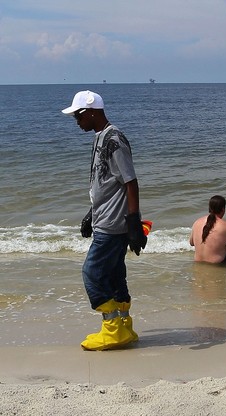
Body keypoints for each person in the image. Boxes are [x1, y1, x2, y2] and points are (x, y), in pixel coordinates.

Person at [62, 90, 147, 350]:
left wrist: (133, 222)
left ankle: (111, 330)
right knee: (113, 275)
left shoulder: (114, 139)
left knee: (93, 274)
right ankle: (124, 327)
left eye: (78, 115)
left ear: (91, 111)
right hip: (105, 217)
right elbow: (106, 182)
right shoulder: (100, 137)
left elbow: (130, 181)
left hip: (113, 223)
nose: (76, 120)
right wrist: (91, 212)